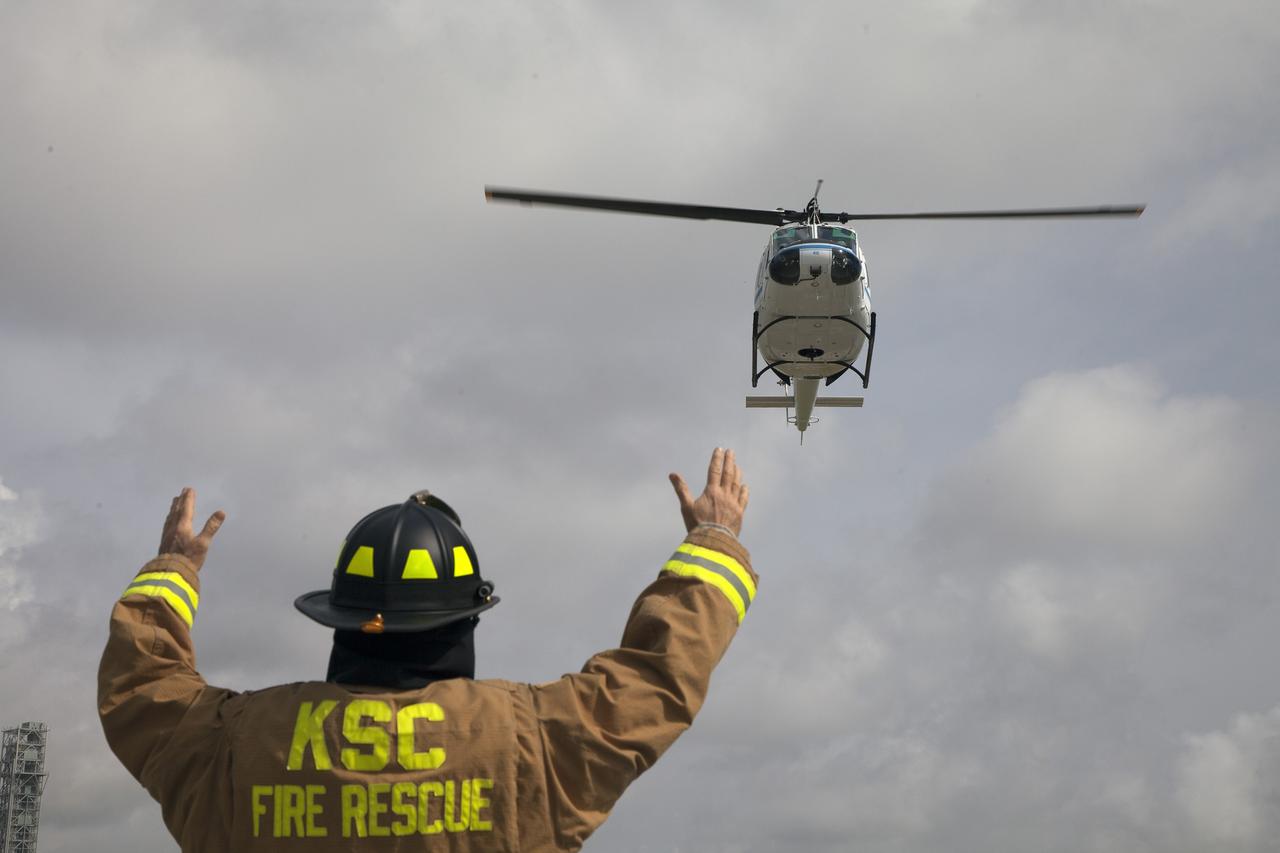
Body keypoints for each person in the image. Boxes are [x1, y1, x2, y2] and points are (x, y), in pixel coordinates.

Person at [99, 448, 756, 851]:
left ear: (340, 616)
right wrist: (713, 539)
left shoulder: (233, 748)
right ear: (464, 620)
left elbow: (141, 685)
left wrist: (174, 567)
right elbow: (658, 677)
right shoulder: (532, 742)